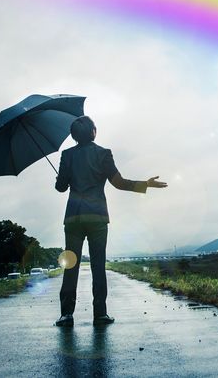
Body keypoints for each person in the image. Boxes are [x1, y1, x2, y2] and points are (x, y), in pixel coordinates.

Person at [54, 116, 167, 327]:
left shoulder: (67, 155)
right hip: (97, 218)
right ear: (93, 132)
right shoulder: (103, 154)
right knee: (98, 266)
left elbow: (60, 188)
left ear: (74, 136)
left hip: (74, 218)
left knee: (71, 266)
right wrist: (146, 184)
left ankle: (66, 315)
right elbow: (119, 183)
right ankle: (100, 314)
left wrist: (63, 178)